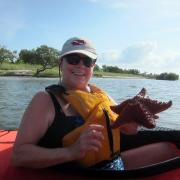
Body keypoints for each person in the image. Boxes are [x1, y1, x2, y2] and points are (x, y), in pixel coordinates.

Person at [12, 37, 179, 170]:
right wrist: (71, 152)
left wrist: (132, 124)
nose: (80, 66)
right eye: (73, 59)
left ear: (93, 66)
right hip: (79, 172)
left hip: (113, 164)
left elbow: (127, 130)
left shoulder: (99, 94)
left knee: (171, 146)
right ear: (60, 63)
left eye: (87, 61)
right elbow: (19, 155)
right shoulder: (45, 100)